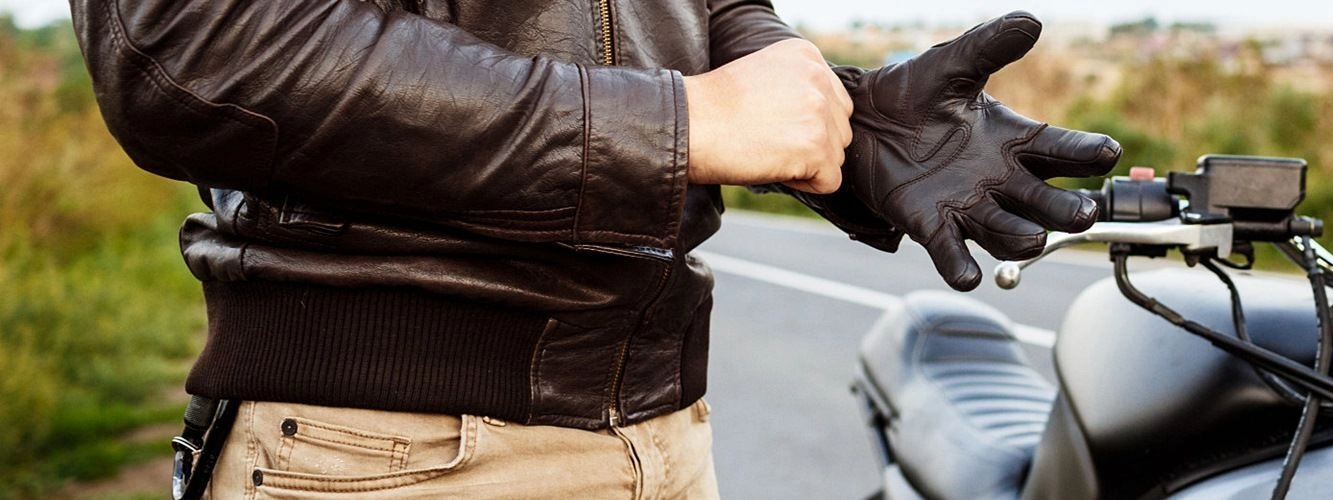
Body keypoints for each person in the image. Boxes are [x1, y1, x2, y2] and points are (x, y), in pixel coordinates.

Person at [71, 0, 1120, 497]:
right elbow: (186, 48)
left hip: (665, 436)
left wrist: (835, 121)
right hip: (389, 454)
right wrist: (679, 124)